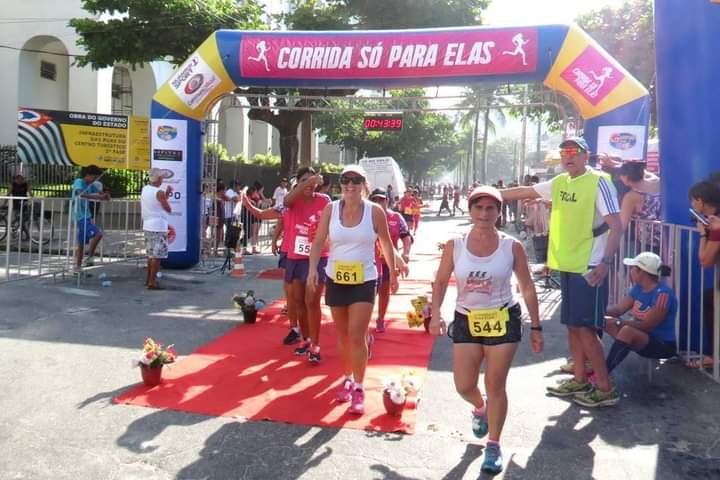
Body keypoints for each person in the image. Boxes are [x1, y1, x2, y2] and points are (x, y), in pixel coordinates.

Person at [500, 137, 623, 407]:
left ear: (585, 155)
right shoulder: (560, 182)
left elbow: (617, 225)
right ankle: (579, 379)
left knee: (587, 329)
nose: (568, 157)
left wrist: (605, 263)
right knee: (572, 326)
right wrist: (490, 194)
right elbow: (525, 191)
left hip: (590, 267)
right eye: (564, 152)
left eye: (574, 152)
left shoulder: (599, 182)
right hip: (568, 264)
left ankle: (604, 387)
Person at [429, 185, 543, 475]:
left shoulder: (511, 246)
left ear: (498, 212)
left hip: (503, 318)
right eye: (478, 208)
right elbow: (441, 281)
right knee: (464, 385)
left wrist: (536, 326)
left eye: (490, 208)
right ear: (470, 211)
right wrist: (435, 314)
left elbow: (527, 287)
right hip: (467, 318)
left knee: (496, 384)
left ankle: (493, 444)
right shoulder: (455, 245)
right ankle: (479, 408)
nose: (484, 214)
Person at [307, 164, 398, 415]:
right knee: (343, 336)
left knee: (356, 335)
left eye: (355, 181)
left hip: (365, 279)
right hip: (336, 278)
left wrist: (394, 272)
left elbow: (386, 244)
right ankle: (347, 378)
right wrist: (313, 270)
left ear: (364, 185)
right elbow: (317, 242)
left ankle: (359, 387)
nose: (349, 186)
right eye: (345, 181)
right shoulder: (331, 209)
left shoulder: (374, 211)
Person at [596, 252, 676, 388]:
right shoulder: (638, 289)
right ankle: (591, 362)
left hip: (662, 345)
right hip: (642, 338)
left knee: (626, 331)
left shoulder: (663, 294)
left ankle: (603, 376)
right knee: (598, 319)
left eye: (633, 268)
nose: (630, 270)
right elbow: (617, 310)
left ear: (642, 272)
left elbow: (647, 326)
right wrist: (596, 312)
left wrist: (618, 322)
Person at [284, 167, 331, 363]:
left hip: (319, 256)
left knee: (312, 301)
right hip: (296, 257)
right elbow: (286, 201)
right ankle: (305, 338)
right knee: (298, 302)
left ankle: (316, 345)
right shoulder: (293, 200)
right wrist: (307, 181)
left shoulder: (324, 200)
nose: (309, 184)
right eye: (304, 180)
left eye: (312, 181)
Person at [686, 180, 720, 369]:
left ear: (700, 201)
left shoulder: (716, 225)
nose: (692, 205)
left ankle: (714, 356)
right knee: (709, 299)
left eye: (692, 200)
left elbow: (705, 261)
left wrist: (703, 234)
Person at [370, 188, 412, 333]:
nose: (378, 203)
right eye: (374, 200)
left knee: (384, 292)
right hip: (370, 262)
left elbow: (406, 237)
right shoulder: (367, 217)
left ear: (387, 201)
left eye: (381, 200)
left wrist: (405, 254)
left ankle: (381, 319)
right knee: (368, 294)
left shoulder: (396, 217)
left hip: (389, 262)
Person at [71, 165, 110, 270]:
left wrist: (105, 194)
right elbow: (80, 194)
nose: (94, 180)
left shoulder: (91, 184)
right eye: (94, 177)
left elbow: (103, 195)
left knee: (81, 243)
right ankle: (89, 257)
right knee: (98, 233)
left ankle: (77, 267)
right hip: (79, 215)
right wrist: (98, 197)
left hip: (86, 215)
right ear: (88, 175)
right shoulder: (79, 181)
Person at [141, 169, 172, 290]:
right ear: (158, 178)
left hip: (148, 224)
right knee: (157, 256)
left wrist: (167, 194)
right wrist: (166, 195)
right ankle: (152, 281)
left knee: (150, 254)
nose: (162, 180)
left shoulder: (145, 189)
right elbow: (167, 208)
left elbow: (157, 203)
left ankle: (148, 279)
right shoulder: (159, 192)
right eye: (161, 178)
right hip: (158, 225)